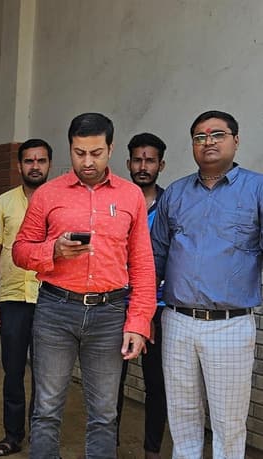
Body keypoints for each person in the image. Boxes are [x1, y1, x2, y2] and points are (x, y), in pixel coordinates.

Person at [13, 112, 155, 458]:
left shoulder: (131, 196)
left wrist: (139, 322)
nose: (87, 162)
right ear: (70, 149)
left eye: (96, 153)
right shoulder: (47, 194)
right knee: (46, 408)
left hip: (109, 314)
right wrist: (53, 250)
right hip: (56, 311)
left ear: (111, 149)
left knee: (105, 413)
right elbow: (20, 250)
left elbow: (142, 263)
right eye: (79, 153)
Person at [152, 110, 262, 458]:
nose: (208, 142)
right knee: (182, 417)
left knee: (228, 424)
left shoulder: (257, 189)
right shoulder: (176, 193)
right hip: (177, 321)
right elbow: (155, 256)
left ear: (236, 141)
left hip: (230, 325)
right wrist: (143, 313)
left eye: (217, 135)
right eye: (200, 137)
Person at [0, 138, 52, 457]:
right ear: (19, 165)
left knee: (46, 376)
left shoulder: (59, 201)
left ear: (49, 164)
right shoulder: (3, 203)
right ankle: (12, 436)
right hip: (12, 299)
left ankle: (42, 439)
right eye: (29, 161)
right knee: (13, 372)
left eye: (41, 160)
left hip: (51, 300)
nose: (35, 166)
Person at [115, 132, 167, 459]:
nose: (143, 166)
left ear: (161, 165)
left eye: (150, 160)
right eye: (137, 160)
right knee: (110, 384)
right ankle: (108, 447)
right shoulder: (117, 201)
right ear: (128, 163)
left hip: (159, 308)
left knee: (156, 385)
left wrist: (149, 311)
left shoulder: (170, 204)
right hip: (117, 305)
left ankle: (152, 451)